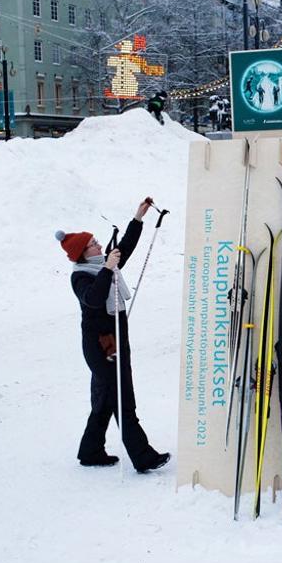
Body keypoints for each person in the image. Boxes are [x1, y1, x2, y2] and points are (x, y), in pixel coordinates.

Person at [55, 197, 170, 473]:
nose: (98, 244)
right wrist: (107, 269)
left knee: (105, 398)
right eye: (93, 243)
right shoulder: (82, 276)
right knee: (122, 397)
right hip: (101, 346)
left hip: (116, 339)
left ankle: (91, 450)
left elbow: (125, 248)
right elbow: (93, 300)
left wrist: (138, 218)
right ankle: (143, 457)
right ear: (84, 253)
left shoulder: (104, 264)